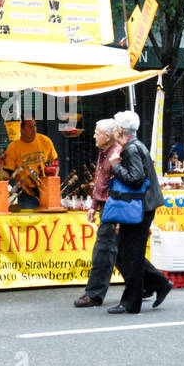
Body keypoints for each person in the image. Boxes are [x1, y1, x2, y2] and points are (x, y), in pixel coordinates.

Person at [106, 110, 172, 315]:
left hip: (139, 208)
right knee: (128, 253)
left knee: (130, 255)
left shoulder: (131, 149)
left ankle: (131, 302)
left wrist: (116, 166)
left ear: (119, 130)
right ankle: (159, 284)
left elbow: (135, 178)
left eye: (114, 126)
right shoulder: (135, 146)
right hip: (142, 206)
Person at [74, 118, 120, 308]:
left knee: (102, 251)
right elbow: (99, 182)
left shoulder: (116, 155)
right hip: (106, 208)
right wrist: (93, 205)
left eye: (97, 132)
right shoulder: (104, 153)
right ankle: (154, 283)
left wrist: (114, 215)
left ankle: (94, 294)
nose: (93, 135)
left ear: (107, 136)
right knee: (123, 252)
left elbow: (118, 186)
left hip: (113, 209)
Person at [4, 118, 57, 210]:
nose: (34, 129)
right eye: (30, 126)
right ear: (21, 129)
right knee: (28, 219)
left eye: (35, 126)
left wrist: (52, 182)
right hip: (26, 193)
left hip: (47, 191)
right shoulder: (13, 148)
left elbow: (55, 163)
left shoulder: (45, 141)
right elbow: (8, 172)